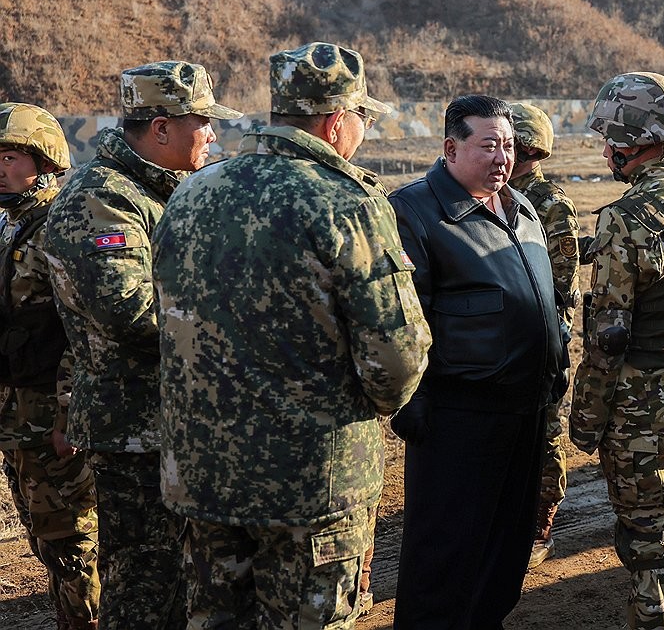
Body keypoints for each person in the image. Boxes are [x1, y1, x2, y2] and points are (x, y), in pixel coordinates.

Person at [152, 42, 432, 627]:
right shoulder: (346, 203)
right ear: (336, 122)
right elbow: (395, 357)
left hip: (203, 475)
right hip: (311, 484)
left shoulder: (192, 192)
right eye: (363, 118)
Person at [45, 60, 242, 629]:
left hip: (183, 421)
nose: (212, 134)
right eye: (202, 122)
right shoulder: (101, 197)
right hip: (137, 430)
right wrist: (239, 327)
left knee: (195, 583)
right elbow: (128, 308)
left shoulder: (174, 188)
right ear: (161, 128)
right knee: (147, 589)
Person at [389, 95, 563, 630]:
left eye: (508, 145)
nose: (502, 158)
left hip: (525, 408)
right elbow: (402, 319)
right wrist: (412, 402)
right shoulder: (416, 211)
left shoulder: (521, 207)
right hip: (459, 416)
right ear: (451, 148)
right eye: (488, 145)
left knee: (505, 551)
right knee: (446, 554)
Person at [570, 72, 664, 630]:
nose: (605, 150)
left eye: (609, 138)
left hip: (640, 402)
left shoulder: (623, 218)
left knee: (648, 541)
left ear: (628, 142)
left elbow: (608, 336)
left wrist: (586, 417)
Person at [0, 103, 100, 629]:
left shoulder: (61, 227)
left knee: (73, 544)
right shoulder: (10, 224)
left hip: (52, 419)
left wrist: (69, 416)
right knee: (45, 540)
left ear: (44, 160)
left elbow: (81, 331)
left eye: (10, 156)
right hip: (18, 419)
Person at [508, 101, 581, 570]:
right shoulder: (491, 195)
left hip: (543, 335)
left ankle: (540, 523)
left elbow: (563, 281)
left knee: (546, 430)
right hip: (506, 335)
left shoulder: (550, 204)